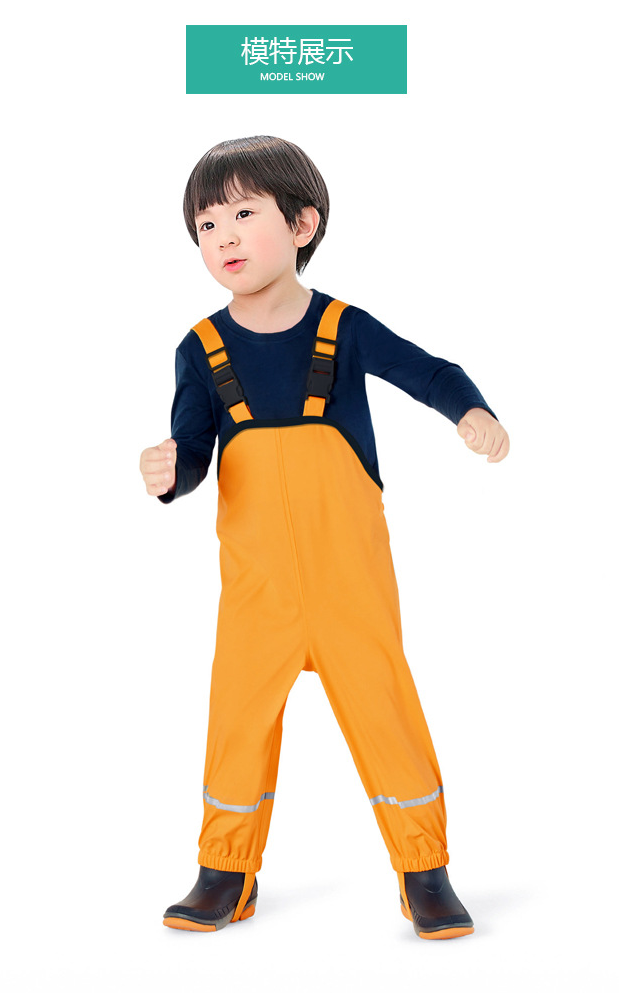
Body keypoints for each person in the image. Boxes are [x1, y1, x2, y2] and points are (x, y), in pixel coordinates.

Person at [139, 135, 510, 939]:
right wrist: (169, 471)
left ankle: (425, 871)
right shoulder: (199, 350)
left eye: (244, 213)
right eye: (206, 225)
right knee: (236, 721)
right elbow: (193, 448)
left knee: (386, 713)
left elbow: (431, 371)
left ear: (302, 223)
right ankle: (224, 872)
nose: (224, 236)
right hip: (258, 594)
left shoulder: (344, 328)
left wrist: (471, 411)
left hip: (352, 589)